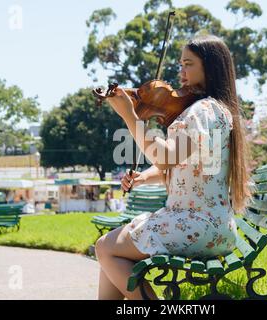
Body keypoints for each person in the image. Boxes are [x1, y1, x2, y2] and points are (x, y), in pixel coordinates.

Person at [94, 35, 252, 300]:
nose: (181, 72)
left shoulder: (204, 110)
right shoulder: (213, 110)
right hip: (210, 226)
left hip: (197, 224)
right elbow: (184, 166)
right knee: (110, 250)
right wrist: (142, 178)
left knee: (106, 248)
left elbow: (166, 157)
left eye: (188, 64)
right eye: (181, 64)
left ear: (210, 67)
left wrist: (130, 117)